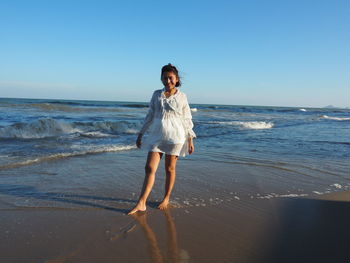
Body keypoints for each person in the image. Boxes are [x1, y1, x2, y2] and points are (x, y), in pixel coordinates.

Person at [128, 63, 196, 215]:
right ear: (161, 78)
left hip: (176, 137)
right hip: (156, 135)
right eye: (164, 78)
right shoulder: (156, 94)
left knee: (169, 169)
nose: (167, 81)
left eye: (170, 78)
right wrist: (141, 134)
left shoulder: (182, 96)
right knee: (149, 168)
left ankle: (166, 198)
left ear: (176, 79)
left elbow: (187, 119)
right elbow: (150, 115)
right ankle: (142, 202)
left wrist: (190, 139)